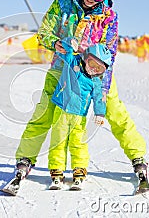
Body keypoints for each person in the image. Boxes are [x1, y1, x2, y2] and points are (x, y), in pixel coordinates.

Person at [14, 0, 148, 186]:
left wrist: (101, 89)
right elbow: (44, 33)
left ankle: (137, 156)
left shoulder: (109, 17)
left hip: (95, 73)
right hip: (61, 70)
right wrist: (54, 43)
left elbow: (109, 54)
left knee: (115, 112)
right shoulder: (62, 3)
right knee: (44, 114)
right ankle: (26, 158)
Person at [48, 38, 112, 189]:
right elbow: (64, 48)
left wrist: (100, 113)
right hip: (61, 111)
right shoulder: (72, 61)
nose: (93, 70)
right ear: (85, 57)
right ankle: (57, 170)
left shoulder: (95, 81)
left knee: (78, 143)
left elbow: (99, 98)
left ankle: (79, 169)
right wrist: (69, 42)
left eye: (99, 69)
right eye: (92, 64)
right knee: (58, 141)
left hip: (79, 117)